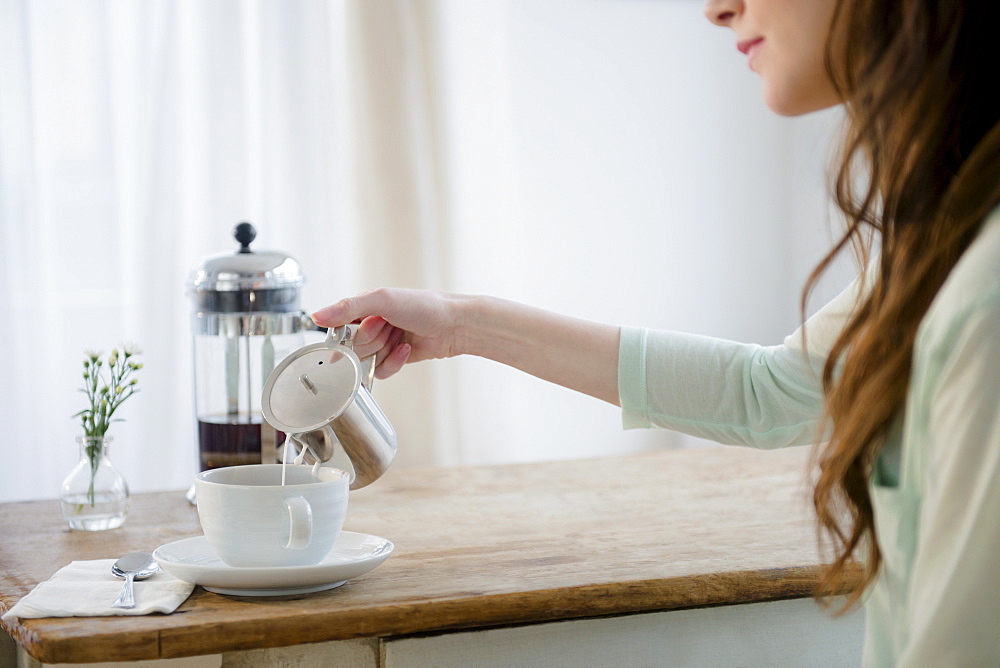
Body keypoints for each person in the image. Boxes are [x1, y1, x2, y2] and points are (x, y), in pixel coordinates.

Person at [311, 0, 999, 664]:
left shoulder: (985, 296)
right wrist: (462, 324)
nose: (717, 8)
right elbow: (771, 391)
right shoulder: (947, 233)